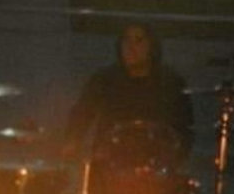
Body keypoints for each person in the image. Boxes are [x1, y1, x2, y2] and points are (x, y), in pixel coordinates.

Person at [63, 22, 193, 164]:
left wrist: (175, 156)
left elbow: (183, 128)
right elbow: (82, 113)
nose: (131, 47)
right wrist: (72, 141)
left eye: (138, 40)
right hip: (109, 160)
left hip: (154, 162)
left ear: (152, 46)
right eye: (126, 40)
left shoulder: (170, 83)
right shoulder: (104, 80)